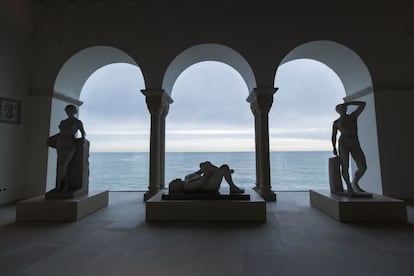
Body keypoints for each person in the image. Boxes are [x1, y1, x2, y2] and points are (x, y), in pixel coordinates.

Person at [332, 101, 367, 194]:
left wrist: (348, 103)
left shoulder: (353, 116)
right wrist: (334, 147)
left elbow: (363, 104)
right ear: (337, 111)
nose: (342, 108)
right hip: (344, 143)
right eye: (340, 108)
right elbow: (334, 135)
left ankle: (354, 182)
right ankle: (348, 186)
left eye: (343, 107)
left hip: (354, 142)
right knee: (345, 165)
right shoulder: (337, 122)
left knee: (363, 166)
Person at [53, 104, 86, 192]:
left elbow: (83, 133)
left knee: (63, 165)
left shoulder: (77, 122)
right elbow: (61, 133)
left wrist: (83, 141)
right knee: (63, 165)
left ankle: (59, 186)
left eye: (69, 110)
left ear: (73, 111)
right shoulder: (63, 122)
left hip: (70, 144)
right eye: (67, 110)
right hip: (60, 143)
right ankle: (65, 185)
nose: (68, 112)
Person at [169, 161, 244, 194]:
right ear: (177, 188)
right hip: (209, 186)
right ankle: (232, 185)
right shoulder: (186, 186)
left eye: (173, 181)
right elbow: (201, 184)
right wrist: (207, 171)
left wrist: (204, 167)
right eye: (173, 183)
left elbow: (199, 172)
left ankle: (225, 172)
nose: (174, 180)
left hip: (209, 179)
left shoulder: (187, 177)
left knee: (204, 165)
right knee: (224, 167)